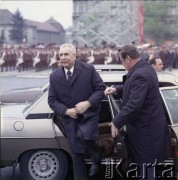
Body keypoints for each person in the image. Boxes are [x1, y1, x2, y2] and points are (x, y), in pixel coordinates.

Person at [104, 43, 171, 179]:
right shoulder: (145, 68)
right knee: (146, 166)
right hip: (148, 128)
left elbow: (134, 104)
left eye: (122, 61)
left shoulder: (140, 74)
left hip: (146, 131)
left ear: (128, 58)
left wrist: (116, 121)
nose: (122, 64)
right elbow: (133, 87)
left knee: (146, 168)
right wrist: (117, 89)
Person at [48, 43, 105, 180]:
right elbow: (52, 100)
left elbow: (100, 89)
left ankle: (97, 158)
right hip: (70, 121)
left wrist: (88, 103)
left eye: (66, 54)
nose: (63, 57)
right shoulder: (54, 76)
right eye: (61, 55)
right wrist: (66, 111)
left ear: (74, 55)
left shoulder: (88, 69)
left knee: (86, 138)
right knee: (77, 156)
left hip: (89, 116)